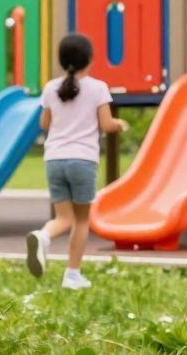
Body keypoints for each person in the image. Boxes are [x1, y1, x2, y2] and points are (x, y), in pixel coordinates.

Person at [24, 33, 128, 290]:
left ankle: (44, 235)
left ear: (61, 61)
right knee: (81, 220)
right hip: (82, 161)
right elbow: (105, 124)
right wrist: (119, 124)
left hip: (54, 160)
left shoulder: (50, 88)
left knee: (63, 218)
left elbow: (44, 124)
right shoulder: (98, 88)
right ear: (90, 60)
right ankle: (72, 275)